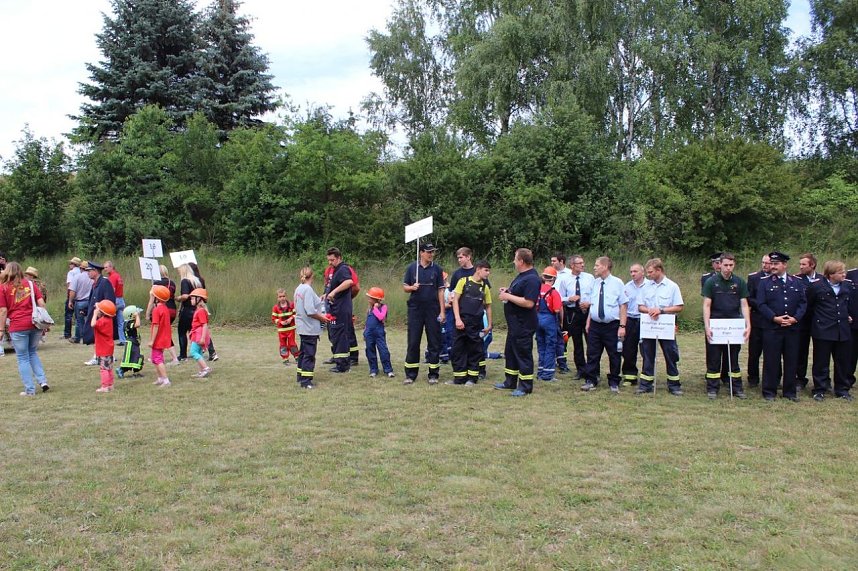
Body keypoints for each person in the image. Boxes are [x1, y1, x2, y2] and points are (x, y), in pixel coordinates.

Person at [757, 251, 806, 402]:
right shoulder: (764, 282)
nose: (773, 266)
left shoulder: (796, 282)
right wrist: (774, 318)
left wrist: (795, 318)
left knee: (791, 360)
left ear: (784, 265)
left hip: (791, 328)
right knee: (771, 360)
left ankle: (789, 392)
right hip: (772, 328)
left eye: (776, 264)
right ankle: (769, 391)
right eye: (771, 263)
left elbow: (803, 303)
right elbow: (761, 304)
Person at [702, 253, 751, 399]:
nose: (728, 268)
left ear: (734, 265)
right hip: (716, 325)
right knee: (714, 359)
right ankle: (712, 388)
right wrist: (707, 326)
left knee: (733, 359)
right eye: (725, 265)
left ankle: (736, 387)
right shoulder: (711, 282)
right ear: (719, 265)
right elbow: (706, 305)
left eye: (731, 265)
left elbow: (744, 304)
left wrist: (748, 325)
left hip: (734, 325)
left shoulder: (740, 282)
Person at [494, 248, 541, 397]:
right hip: (514, 324)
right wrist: (508, 290)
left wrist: (507, 296)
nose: (513, 261)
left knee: (523, 353)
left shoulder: (532, 279)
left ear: (521, 261)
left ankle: (525, 386)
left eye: (515, 259)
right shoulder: (522, 276)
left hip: (524, 324)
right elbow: (519, 292)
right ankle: (510, 381)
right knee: (511, 352)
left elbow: (529, 303)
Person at [0, 262, 50, 395]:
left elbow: (3, 311)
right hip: (34, 323)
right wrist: (44, 319)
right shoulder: (31, 284)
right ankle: (43, 381)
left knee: (22, 357)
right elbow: (41, 303)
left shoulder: (4, 288)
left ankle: (30, 389)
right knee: (32, 352)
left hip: (17, 325)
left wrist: (0, 330)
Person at [806, 261, 853, 401]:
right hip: (823, 329)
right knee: (821, 361)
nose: (844, 275)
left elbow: (847, 304)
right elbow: (809, 306)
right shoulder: (816, 286)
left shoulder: (847, 286)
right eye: (840, 272)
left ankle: (842, 389)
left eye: (844, 272)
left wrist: (847, 316)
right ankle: (819, 389)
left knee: (842, 361)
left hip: (842, 329)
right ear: (831, 274)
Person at [637, 258, 685, 396]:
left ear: (659, 270)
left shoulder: (672, 286)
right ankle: (646, 384)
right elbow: (640, 306)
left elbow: (679, 306)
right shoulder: (645, 287)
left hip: (666, 326)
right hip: (649, 326)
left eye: (650, 272)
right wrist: (649, 310)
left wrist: (662, 310)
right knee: (647, 354)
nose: (648, 275)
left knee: (670, 354)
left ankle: (674, 385)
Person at [581, 256, 629, 393]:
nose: (594, 268)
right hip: (596, 325)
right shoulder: (595, 283)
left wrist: (622, 326)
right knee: (592, 353)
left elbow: (623, 306)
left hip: (612, 325)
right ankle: (591, 379)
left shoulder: (617, 283)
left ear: (605, 266)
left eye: (597, 265)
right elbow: (593, 304)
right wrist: (588, 321)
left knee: (614, 354)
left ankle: (614, 381)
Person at [402, 243, 446, 385]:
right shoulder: (412, 268)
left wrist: (442, 311)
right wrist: (411, 287)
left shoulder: (437, 269)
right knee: (413, 341)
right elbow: (404, 287)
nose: (431, 254)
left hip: (432, 309)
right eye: (428, 252)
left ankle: (433, 374)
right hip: (415, 309)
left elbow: (440, 291)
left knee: (434, 341)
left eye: (432, 252)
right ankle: (410, 374)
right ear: (421, 253)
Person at [449, 260, 492, 386]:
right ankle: (459, 378)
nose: (488, 273)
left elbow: (488, 306)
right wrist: (457, 319)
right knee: (458, 349)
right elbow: (455, 300)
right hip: (461, 321)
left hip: (476, 323)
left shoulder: (485, 287)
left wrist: (489, 325)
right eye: (486, 270)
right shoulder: (463, 281)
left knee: (475, 350)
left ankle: (472, 378)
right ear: (478, 269)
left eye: (489, 271)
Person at [294, 267, 330, 389]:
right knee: (309, 354)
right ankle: (306, 381)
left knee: (303, 353)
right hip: (309, 328)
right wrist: (322, 318)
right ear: (312, 276)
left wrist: (318, 300)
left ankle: (300, 376)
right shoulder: (308, 289)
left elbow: (304, 305)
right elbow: (310, 311)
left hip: (302, 327)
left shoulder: (299, 288)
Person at [322, 247, 355, 374]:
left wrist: (334, 292)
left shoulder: (343, 269)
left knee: (341, 336)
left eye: (332, 260)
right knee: (336, 335)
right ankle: (340, 362)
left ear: (339, 258)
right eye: (329, 260)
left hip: (341, 309)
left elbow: (349, 282)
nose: (330, 262)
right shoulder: (335, 270)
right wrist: (326, 294)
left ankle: (342, 366)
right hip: (335, 308)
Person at [700, 252, 730, 386]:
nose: (718, 265)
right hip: (713, 316)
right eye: (716, 263)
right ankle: (712, 373)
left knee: (729, 348)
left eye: (720, 263)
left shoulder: (732, 278)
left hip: (729, 317)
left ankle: (726, 374)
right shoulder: (707, 278)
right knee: (712, 349)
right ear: (713, 264)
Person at [563, 254, 594, 379]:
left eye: (583, 262)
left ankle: (592, 370)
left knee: (591, 343)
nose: (582, 265)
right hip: (573, 313)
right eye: (579, 263)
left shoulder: (590, 278)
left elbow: (595, 294)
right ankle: (580, 369)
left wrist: (588, 303)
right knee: (577, 343)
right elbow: (559, 297)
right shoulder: (565, 279)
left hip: (587, 312)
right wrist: (569, 299)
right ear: (572, 265)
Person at [794, 253, 821, 390]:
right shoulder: (796, 279)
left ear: (812, 265)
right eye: (800, 264)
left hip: (819, 321)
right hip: (802, 321)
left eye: (804, 264)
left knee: (821, 352)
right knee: (801, 350)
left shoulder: (823, 279)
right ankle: (800, 378)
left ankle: (822, 380)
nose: (801, 267)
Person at [82, 262, 117, 362]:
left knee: (102, 338)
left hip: (103, 316)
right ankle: (98, 356)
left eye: (89, 271)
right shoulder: (95, 284)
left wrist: (102, 312)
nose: (87, 273)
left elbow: (109, 300)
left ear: (96, 271)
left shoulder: (104, 282)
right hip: (96, 314)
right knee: (95, 337)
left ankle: (102, 356)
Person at [621, 263, 649, 386]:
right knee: (628, 349)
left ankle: (647, 376)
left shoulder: (650, 286)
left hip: (645, 319)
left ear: (642, 272)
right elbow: (623, 306)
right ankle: (629, 376)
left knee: (646, 350)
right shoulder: (627, 287)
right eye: (631, 271)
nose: (633, 274)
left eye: (635, 271)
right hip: (630, 319)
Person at [746, 254, 771, 387]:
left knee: (772, 352)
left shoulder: (777, 278)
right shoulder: (754, 278)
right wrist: (762, 305)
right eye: (763, 262)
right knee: (754, 352)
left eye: (768, 263)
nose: (765, 265)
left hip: (772, 320)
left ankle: (774, 377)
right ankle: (753, 378)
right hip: (757, 318)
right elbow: (748, 297)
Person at [147, 264, 179, 365]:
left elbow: (152, 300)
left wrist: (148, 313)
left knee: (160, 332)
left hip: (162, 309)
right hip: (172, 309)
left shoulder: (157, 283)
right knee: (164, 331)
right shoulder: (172, 283)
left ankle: (173, 358)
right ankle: (155, 355)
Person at [536, 266, 562, 382]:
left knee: (541, 346)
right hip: (549, 320)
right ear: (554, 279)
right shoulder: (554, 292)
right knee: (550, 346)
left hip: (537, 319)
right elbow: (557, 310)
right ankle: (548, 374)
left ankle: (540, 371)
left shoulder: (536, 289)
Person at [188, 262, 219, 362]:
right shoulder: (201, 279)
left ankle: (208, 351)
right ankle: (209, 351)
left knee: (200, 327)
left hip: (199, 307)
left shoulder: (191, 281)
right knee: (200, 328)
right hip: (200, 305)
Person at [364, 286, 395, 379]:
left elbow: (381, 317)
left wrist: (376, 308)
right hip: (369, 333)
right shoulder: (369, 309)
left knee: (383, 351)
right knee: (370, 350)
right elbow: (367, 321)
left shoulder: (383, 307)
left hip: (379, 333)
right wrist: (365, 332)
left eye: (370, 297)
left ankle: (388, 370)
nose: (369, 299)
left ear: (376, 299)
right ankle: (373, 370)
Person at [550, 253, 574, 374]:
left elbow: (569, 294)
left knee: (564, 336)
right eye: (551, 261)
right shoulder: (550, 274)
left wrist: (566, 300)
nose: (552, 263)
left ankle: (562, 361)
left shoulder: (570, 274)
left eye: (554, 261)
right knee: (553, 335)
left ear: (562, 261)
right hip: (552, 308)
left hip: (566, 309)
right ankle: (553, 360)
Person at [149, 285, 174, 388]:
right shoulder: (165, 308)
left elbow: (155, 326)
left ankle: (165, 380)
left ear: (156, 298)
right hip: (164, 337)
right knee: (155, 358)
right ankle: (160, 378)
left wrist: (152, 341)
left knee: (158, 359)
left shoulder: (156, 310)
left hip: (158, 339)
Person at [176, 264, 202, 361]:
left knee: (182, 332)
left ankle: (183, 354)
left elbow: (185, 296)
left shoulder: (185, 281)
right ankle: (198, 350)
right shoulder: (196, 281)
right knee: (194, 331)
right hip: (196, 308)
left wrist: (178, 298)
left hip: (187, 309)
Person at [92, 299, 117, 393]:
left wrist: (94, 314)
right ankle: (110, 385)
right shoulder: (109, 320)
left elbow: (93, 324)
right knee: (109, 368)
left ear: (102, 312)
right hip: (109, 348)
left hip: (103, 349)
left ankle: (105, 386)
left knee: (103, 369)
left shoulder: (102, 321)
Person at [188, 288, 212, 379]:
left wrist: (202, 338)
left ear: (199, 299)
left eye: (193, 298)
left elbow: (204, 325)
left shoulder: (201, 311)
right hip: (197, 333)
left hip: (199, 334)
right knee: (199, 353)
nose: (191, 300)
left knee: (193, 352)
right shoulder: (198, 310)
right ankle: (202, 371)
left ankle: (206, 368)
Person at [68, 260, 93, 344]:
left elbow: (72, 291)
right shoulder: (92, 278)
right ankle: (87, 336)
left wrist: (70, 301)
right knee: (89, 320)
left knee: (79, 321)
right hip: (90, 301)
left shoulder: (77, 277)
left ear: (81, 268)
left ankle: (81, 337)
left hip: (80, 302)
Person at [271, 288, 299, 365]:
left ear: (286, 296)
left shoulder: (291, 305)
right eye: (280, 296)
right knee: (283, 345)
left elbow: (296, 314)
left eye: (283, 296)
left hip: (291, 329)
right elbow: (273, 318)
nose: (282, 298)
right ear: (277, 298)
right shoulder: (276, 308)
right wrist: (280, 322)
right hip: (281, 330)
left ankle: (296, 357)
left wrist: (291, 318)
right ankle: (285, 358)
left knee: (292, 344)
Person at [116, 305, 144, 378]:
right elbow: (137, 325)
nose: (139, 315)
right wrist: (137, 316)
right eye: (137, 314)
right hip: (131, 344)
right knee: (129, 359)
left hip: (135, 343)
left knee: (136, 358)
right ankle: (121, 370)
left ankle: (135, 372)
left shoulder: (130, 322)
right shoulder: (128, 323)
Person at [104, 260, 126, 345]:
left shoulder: (112, 277)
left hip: (115, 300)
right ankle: (123, 340)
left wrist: (108, 301)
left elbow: (112, 290)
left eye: (106, 267)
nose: (105, 269)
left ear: (111, 267)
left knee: (108, 320)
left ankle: (108, 338)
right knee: (121, 322)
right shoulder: (118, 276)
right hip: (121, 299)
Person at [24, 266, 48, 344]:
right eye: (28, 275)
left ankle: (40, 335)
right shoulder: (23, 284)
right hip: (28, 307)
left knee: (37, 322)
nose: (29, 276)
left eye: (31, 275)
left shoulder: (38, 285)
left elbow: (43, 299)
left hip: (36, 306)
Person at [63, 257, 83, 339]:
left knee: (68, 315)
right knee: (79, 316)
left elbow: (69, 285)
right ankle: (80, 333)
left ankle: (67, 334)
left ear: (73, 264)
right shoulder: (82, 272)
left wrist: (69, 296)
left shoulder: (71, 272)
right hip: (80, 295)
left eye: (71, 263)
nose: (69, 265)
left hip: (72, 294)